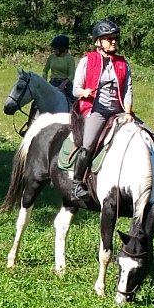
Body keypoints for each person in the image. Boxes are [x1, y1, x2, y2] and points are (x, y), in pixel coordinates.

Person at [62, 20, 132, 203]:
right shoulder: (87, 61)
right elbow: (75, 89)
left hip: (119, 111)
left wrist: (128, 112)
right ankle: (77, 184)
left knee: (146, 135)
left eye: (115, 38)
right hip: (97, 110)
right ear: (98, 42)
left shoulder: (123, 64)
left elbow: (128, 90)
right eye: (109, 39)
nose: (114, 42)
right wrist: (83, 92)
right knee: (88, 144)